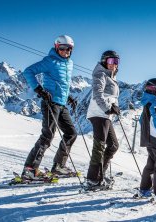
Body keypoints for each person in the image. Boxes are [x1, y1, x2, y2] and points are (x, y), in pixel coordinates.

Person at [21, 35, 78, 179]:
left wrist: (68, 97)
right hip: (50, 103)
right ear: (57, 47)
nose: (66, 51)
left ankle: (58, 166)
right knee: (47, 136)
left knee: (71, 133)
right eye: (62, 48)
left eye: (69, 49)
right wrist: (39, 90)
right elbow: (28, 71)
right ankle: (30, 169)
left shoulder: (69, 63)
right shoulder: (49, 61)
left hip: (62, 103)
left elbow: (62, 83)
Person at [84, 50, 121, 190]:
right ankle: (93, 179)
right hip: (99, 114)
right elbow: (98, 94)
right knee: (99, 147)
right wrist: (108, 108)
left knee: (113, 145)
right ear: (105, 61)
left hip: (106, 115)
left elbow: (110, 97)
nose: (114, 65)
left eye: (116, 62)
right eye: (111, 61)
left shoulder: (111, 77)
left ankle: (100, 173)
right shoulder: (100, 74)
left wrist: (114, 106)